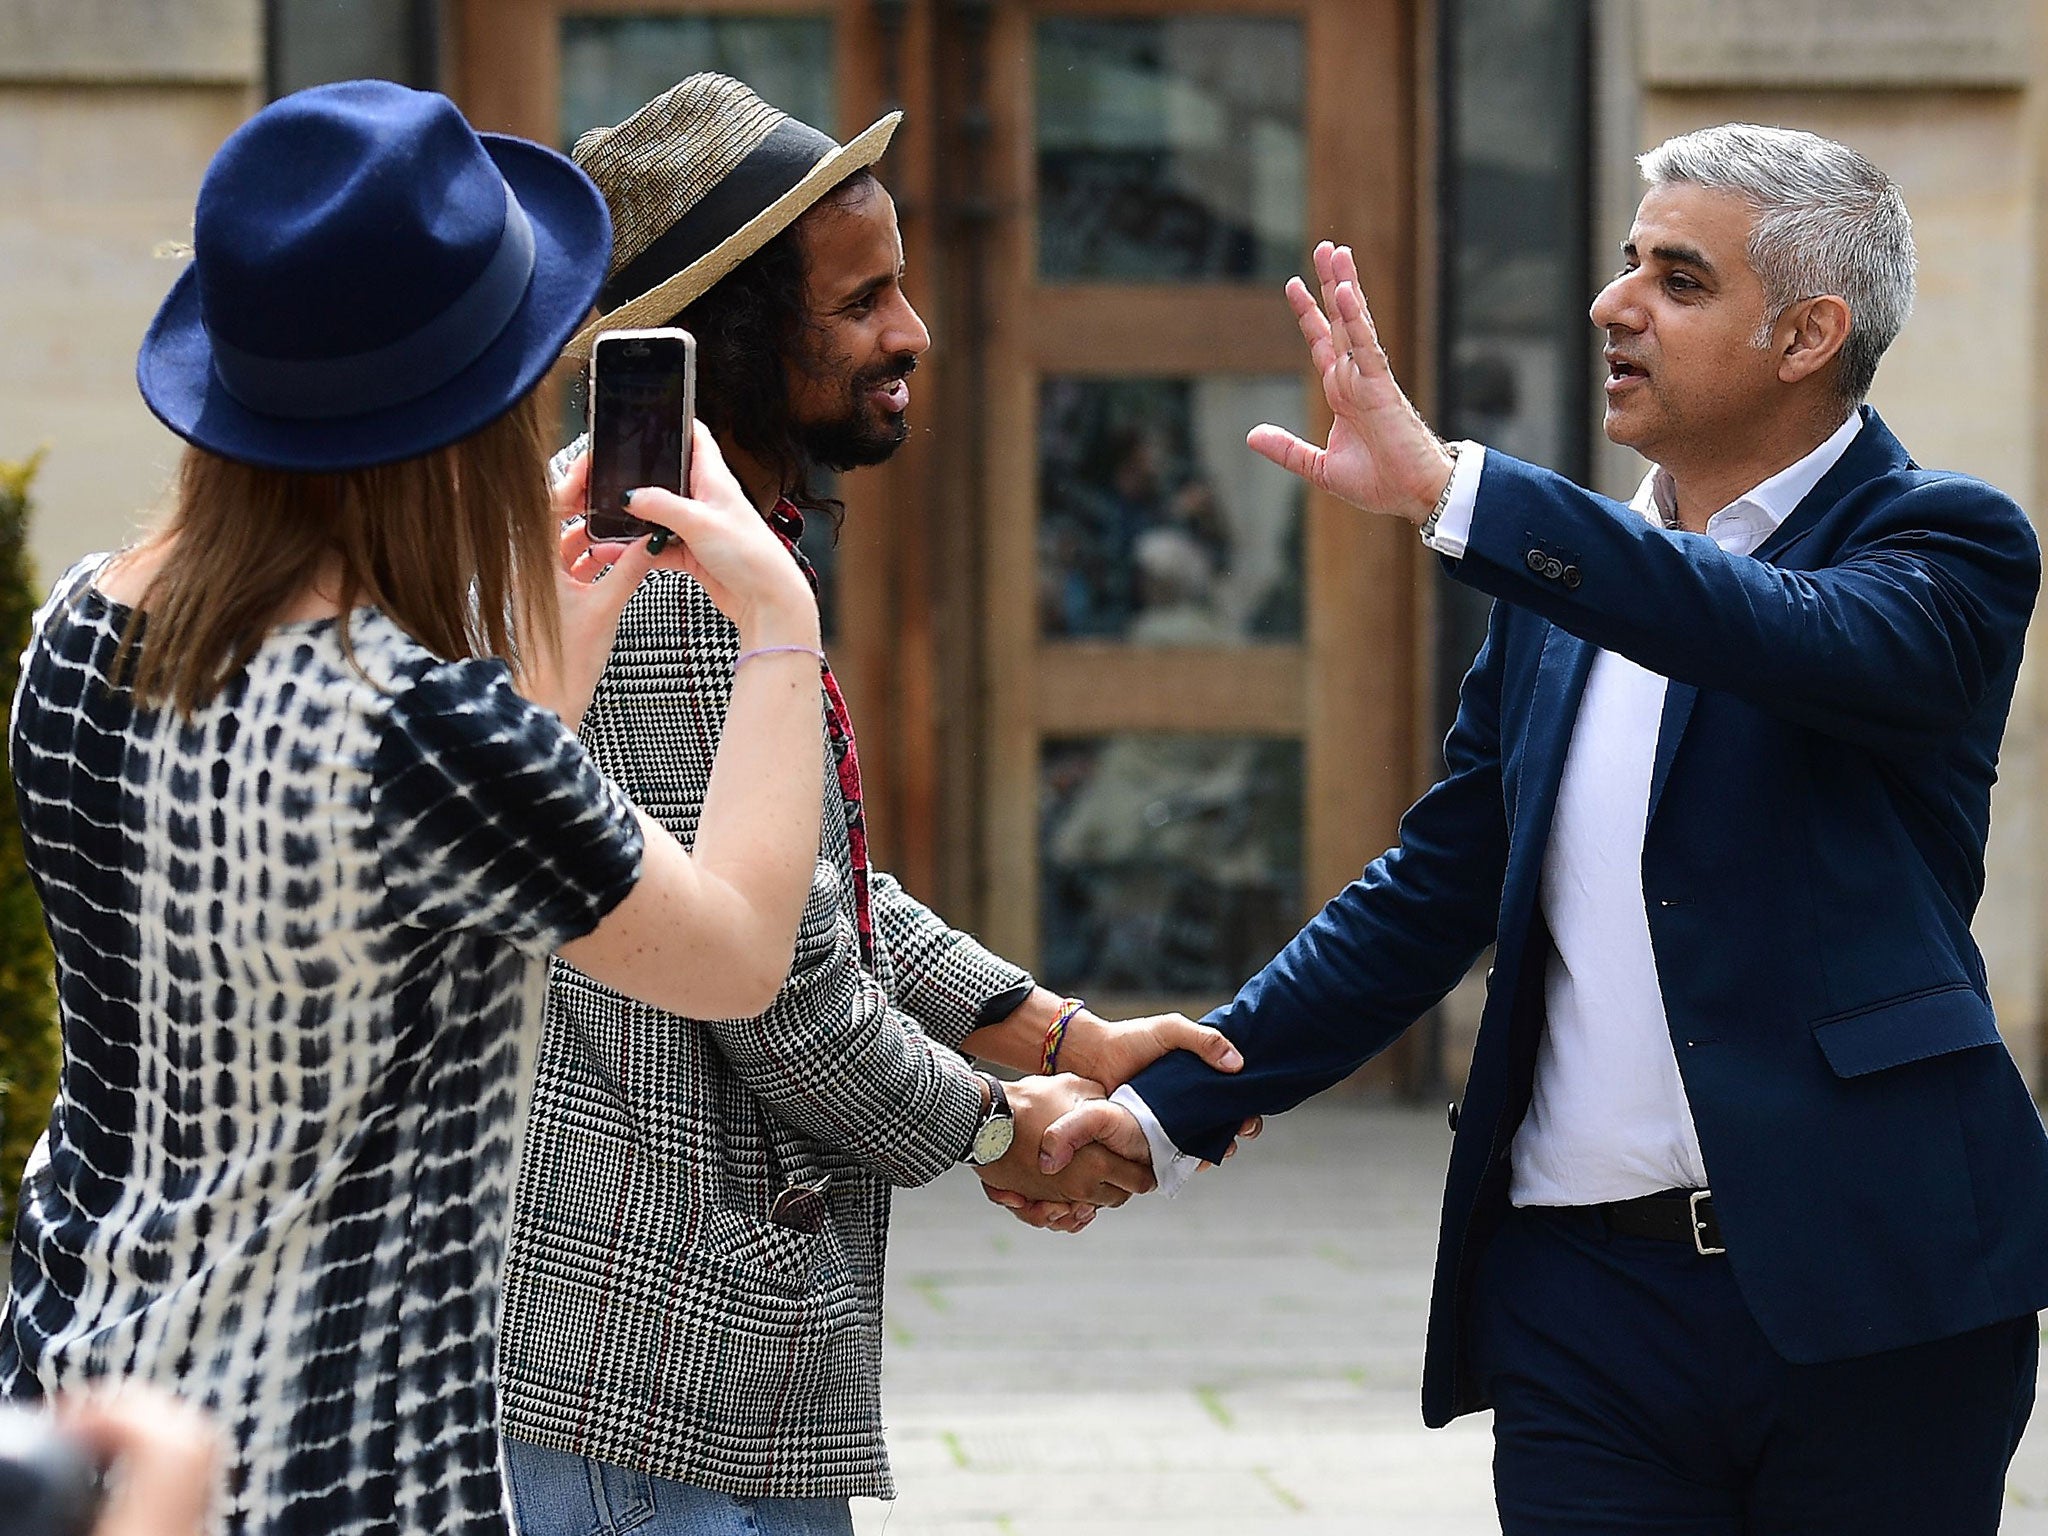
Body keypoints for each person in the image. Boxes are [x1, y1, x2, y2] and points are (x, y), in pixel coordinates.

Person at [1042, 123, 2048, 1532]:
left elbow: (1760, 627)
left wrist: (1463, 493)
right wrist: (1160, 1116)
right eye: (1627, 261)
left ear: (1807, 334)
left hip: (1879, 1295)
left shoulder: (1945, 547)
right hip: (1587, 1309)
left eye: (1678, 279)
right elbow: (1432, 892)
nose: (1612, 304)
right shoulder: (1563, 593)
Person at [1, 80, 833, 1536]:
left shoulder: (77, 635)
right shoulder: (425, 731)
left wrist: (535, 694)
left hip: (85, 1399)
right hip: (344, 1456)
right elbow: (741, 953)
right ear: (465, 430)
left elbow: (343, 889)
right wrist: (780, 622)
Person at [495, 73, 1249, 1536]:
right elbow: (769, 985)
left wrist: (1061, 1034)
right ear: (725, 338)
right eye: (863, 301)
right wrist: (995, 1128)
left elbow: (810, 887)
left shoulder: (716, 549)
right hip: (642, 1370)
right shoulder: (643, 585)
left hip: (710, 1360)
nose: (913, 333)